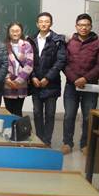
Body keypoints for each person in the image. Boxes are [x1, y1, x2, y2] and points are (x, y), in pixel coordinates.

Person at [63, 13, 99, 155]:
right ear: (76, 26)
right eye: (81, 25)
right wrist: (75, 79)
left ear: (91, 26)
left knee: (88, 117)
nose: (84, 28)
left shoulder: (98, 43)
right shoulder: (69, 43)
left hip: (90, 86)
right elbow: (64, 63)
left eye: (87, 25)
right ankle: (67, 143)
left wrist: (85, 79)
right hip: (71, 86)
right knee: (69, 115)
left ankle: (85, 144)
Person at [27, 12, 67, 147]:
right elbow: (28, 61)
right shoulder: (31, 40)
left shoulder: (58, 40)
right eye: (41, 22)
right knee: (37, 113)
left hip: (51, 84)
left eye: (47, 21)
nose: (44, 24)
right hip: (35, 83)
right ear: (37, 24)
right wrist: (32, 76)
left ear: (51, 23)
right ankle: (39, 139)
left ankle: (47, 140)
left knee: (50, 114)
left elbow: (60, 61)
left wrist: (47, 78)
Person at [3, 22, 34, 117]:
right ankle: (9, 127)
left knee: (17, 111)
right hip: (7, 83)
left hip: (21, 83)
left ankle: (18, 127)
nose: (15, 33)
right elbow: (1, 64)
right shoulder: (4, 45)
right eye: (12, 31)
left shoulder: (27, 45)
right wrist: (7, 79)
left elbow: (29, 64)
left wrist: (18, 81)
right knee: (8, 111)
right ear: (8, 32)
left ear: (21, 32)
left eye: (17, 31)